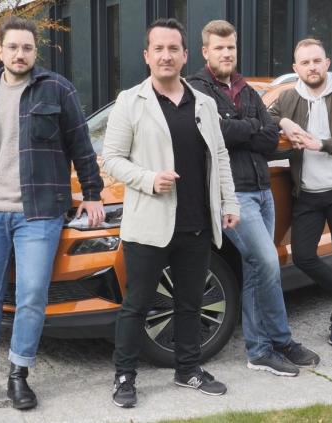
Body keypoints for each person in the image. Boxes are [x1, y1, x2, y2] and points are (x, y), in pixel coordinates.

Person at [0, 16, 105, 411]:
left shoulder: (58, 90)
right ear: (0, 51)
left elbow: (81, 147)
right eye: (13, 47)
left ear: (36, 52)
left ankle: (19, 374)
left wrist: (92, 194)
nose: (20, 54)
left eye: (27, 48)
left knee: (31, 293)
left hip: (39, 213)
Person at [102, 18, 240, 408]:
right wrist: (148, 179)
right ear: (147, 56)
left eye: (173, 49)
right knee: (137, 304)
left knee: (190, 303)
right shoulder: (130, 101)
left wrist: (230, 202)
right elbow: (111, 158)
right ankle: (125, 376)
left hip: (196, 223)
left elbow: (220, 156)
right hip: (149, 224)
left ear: (185, 55)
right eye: (159, 49)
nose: (166, 55)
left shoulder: (204, 104)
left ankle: (188, 369)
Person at [186, 20, 320, 377]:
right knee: (267, 263)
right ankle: (265, 347)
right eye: (219, 48)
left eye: (231, 47)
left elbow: (269, 136)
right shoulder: (196, 90)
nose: (226, 53)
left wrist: (244, 129)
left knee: (258, 268)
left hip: (262, 190)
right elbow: (214, 132)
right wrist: (251, 128)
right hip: (232, 194)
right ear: (205, 51)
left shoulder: (246, 89)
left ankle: (275, 343)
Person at [268, 38, 332, 347]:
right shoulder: (288, 98)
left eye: (317, 61)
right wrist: (284, 121)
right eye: (305, 63)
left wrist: (321, 144)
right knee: (303, 256)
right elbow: (263, 119)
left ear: (327, 63)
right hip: (307, 194)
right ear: (296, 68)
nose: (312, 67)